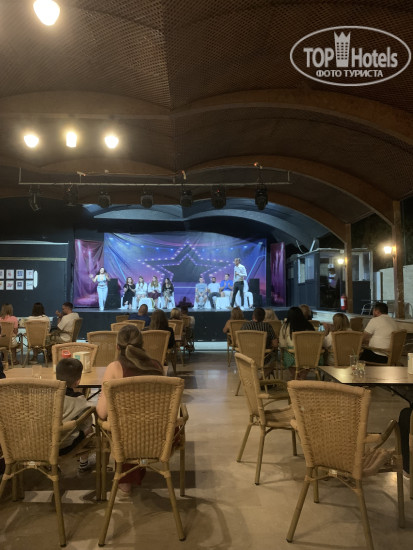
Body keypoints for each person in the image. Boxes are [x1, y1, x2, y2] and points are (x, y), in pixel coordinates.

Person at [96, 325, 164, 494]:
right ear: (142, 344)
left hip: (127, 436)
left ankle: (124, 479)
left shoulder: (114, 368)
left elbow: (102, 412)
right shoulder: (157, 366)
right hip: (159, 434)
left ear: (117, 347)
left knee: (120, 424)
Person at [56, 358, 95, 473]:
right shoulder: (78, 400)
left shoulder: (46, 396)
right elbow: (87, 423)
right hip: (63, 447)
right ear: (77, 382)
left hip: (41, 444)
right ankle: (84, 462)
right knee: (89, 428)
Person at [278, 306, 315, 377]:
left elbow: (282, 344)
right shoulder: (309, 325)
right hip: (309, 356)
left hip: (292, 355)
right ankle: (302, 377)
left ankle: (296, 377)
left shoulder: (285, 326)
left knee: (287, 356)